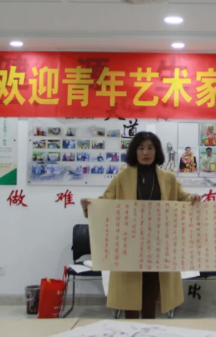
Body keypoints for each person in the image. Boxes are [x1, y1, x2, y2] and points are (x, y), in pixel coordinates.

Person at [80, 131, 200, 319]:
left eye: (150, 148)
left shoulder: (168, 178)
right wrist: (90, 206)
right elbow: (106, 201)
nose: (146, 152)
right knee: (130, 290)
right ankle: (131, 329)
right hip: (130, 242)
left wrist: (193, 198)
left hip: (158, 243)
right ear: (134, 152)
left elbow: (182, 197)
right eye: (141, 148)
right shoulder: (123, 176)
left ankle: (148, 327)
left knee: (152, 288)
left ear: (156, 151)